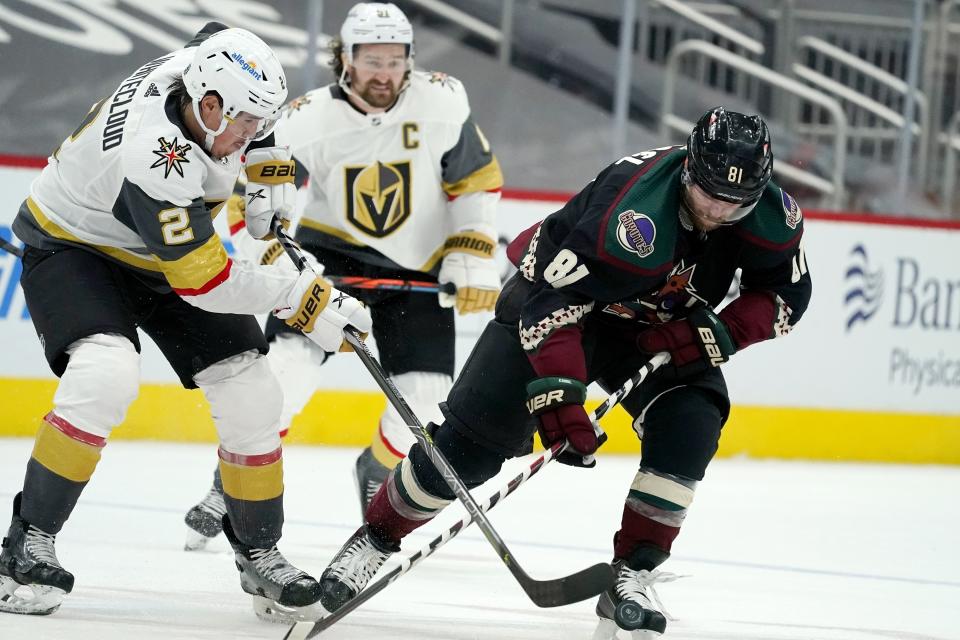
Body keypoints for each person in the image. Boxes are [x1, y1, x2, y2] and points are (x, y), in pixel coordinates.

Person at [314, 107, 812, 637]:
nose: (720, 210)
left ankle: (633, 571)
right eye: (711, 193)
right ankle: (375, 536)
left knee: (690, 424)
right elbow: (554, 307)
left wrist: (716, 330)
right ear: (689, 167)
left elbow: (785, 293)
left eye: (738, 201)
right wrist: (560, 398)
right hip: (554, 306)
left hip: (654, 329)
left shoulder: (774, 216)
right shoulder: (631, 211)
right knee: (469, 450)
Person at [0, 23, 372, 620]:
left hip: (160, 252)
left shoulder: (207, 70)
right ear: (207, 105)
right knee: (105, 374)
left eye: (258, 124)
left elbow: (222, 39)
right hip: (76, 245)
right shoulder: (156, 154)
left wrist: (268, 169)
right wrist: (306, 301)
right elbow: (204, 281)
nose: (252, 134)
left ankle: (259, 553)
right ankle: (26, 544)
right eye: (245, 126)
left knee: (253, 392)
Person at [182, 2, 503, 549]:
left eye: (395, 59)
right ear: (345, 60)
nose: (384, 72)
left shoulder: (444, 101)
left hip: (416, 263)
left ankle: (377, 469)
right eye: (371, 59)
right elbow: (257, 202)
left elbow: (476, 179)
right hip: (330, 257)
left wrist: (470, 253)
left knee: (425, 405)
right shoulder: (306, 118)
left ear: (410, 60)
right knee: (285, 376)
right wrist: (283, 267)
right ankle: (228, 485)